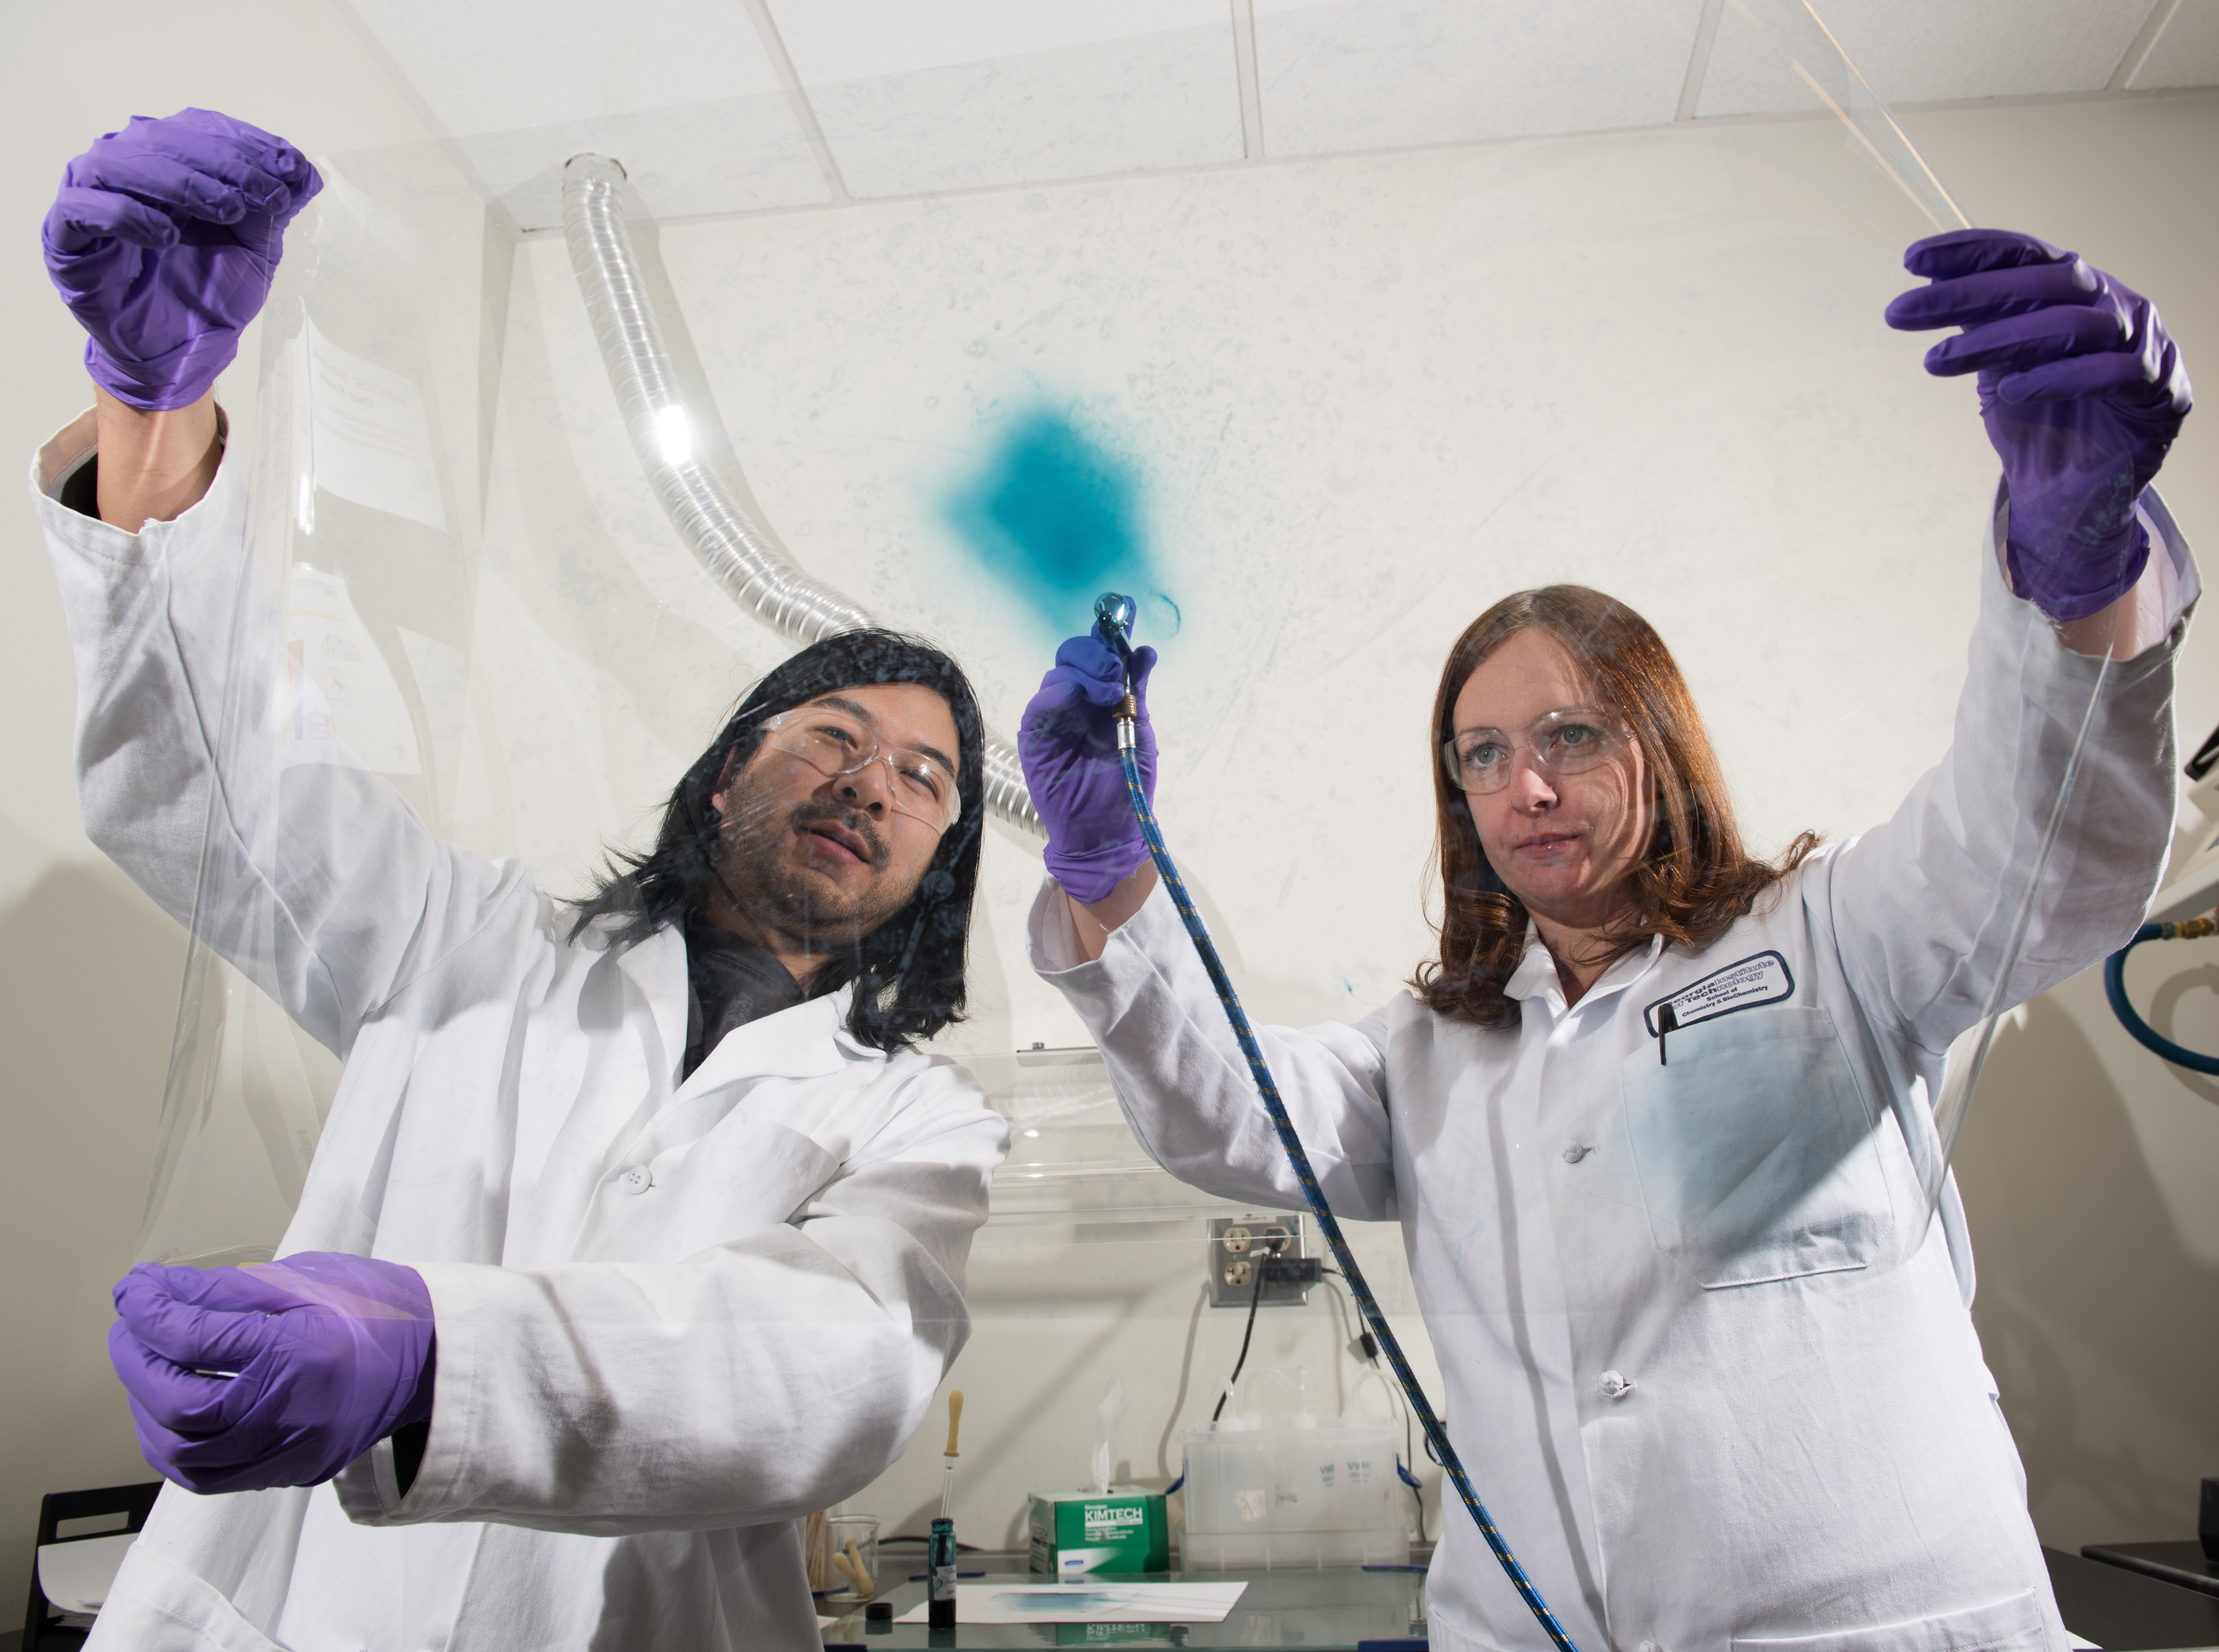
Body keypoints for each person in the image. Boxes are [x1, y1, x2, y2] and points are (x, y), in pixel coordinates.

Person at [1018, 228, 2194, 1652]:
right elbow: (1228, 1114)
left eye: (1570, 734)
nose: (1525, 786)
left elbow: (2042, 854)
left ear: (1658, 736)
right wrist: (1111, 871)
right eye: (1482, 753)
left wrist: (2074, 572)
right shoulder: (1432, 1048)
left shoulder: (1834, 936)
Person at [37, 110, 1007, 1650]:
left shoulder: (916, 1115)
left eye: (926, 779)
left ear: (937, 869)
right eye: (833, 731)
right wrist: (155, 418)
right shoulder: (463, 940)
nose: (873, 780)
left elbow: (841, 1362)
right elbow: (214, 794)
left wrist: (441, 1357)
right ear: (720, 777)